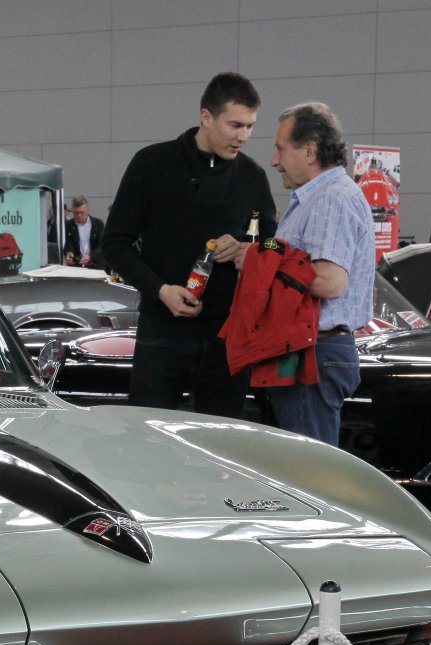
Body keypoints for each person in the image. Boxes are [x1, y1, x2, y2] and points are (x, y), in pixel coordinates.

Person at [101, 71, 277, 418]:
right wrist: (161, 290)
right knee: (148, 435)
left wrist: (245, 249)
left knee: (221, 441)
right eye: (235, 125)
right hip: (162, 332)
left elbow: (272, 244)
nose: (243, 136)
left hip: (226, 336)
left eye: (250, 126)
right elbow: (114, 244)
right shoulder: (151, 165)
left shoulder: (253, 177)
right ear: (206, 117)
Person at [258, 103, 373, 448]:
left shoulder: (330, 200)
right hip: (310, 350)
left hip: (313, 353)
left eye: (280, 149)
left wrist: (260, 262)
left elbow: (328, 280)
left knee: (309, 472)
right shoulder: (320, 198)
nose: (274, 160)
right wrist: (257, 251)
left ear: (309, 151)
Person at [62, 197, 105, 267]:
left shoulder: (98, 224)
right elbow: (67, 244)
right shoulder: (68, 225)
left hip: (96, 265)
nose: (79, 215)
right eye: (76, 213)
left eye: (82, 212)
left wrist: (91, 256)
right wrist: (69, 253)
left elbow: (102, 245)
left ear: (87, 210)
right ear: (72, 211)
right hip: (77, 266)